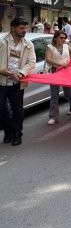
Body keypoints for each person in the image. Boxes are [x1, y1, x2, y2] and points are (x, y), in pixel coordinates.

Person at [0, 18, 36, 146]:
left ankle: (17, 134)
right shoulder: (2, 41)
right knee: (1, 110)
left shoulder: (28, 44)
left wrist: (21, 73)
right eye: (21, 28)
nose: (24, 31)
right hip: (2, 82)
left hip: (17, 82)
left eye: (25, 28)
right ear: (13, 28)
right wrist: (3, 71)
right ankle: (8, 130)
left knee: (17, 110)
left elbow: (31, 62)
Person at [45, 31, 71, 125]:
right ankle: (53, 117)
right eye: (61, 37)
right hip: (55, 71)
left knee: (68, 93)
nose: (63, 39)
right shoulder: (50, 47)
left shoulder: (66, 46)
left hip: (66, 72)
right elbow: (48, 59)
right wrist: (60, 64)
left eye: (64, 38)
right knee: (54, 95)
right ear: (55, 38)